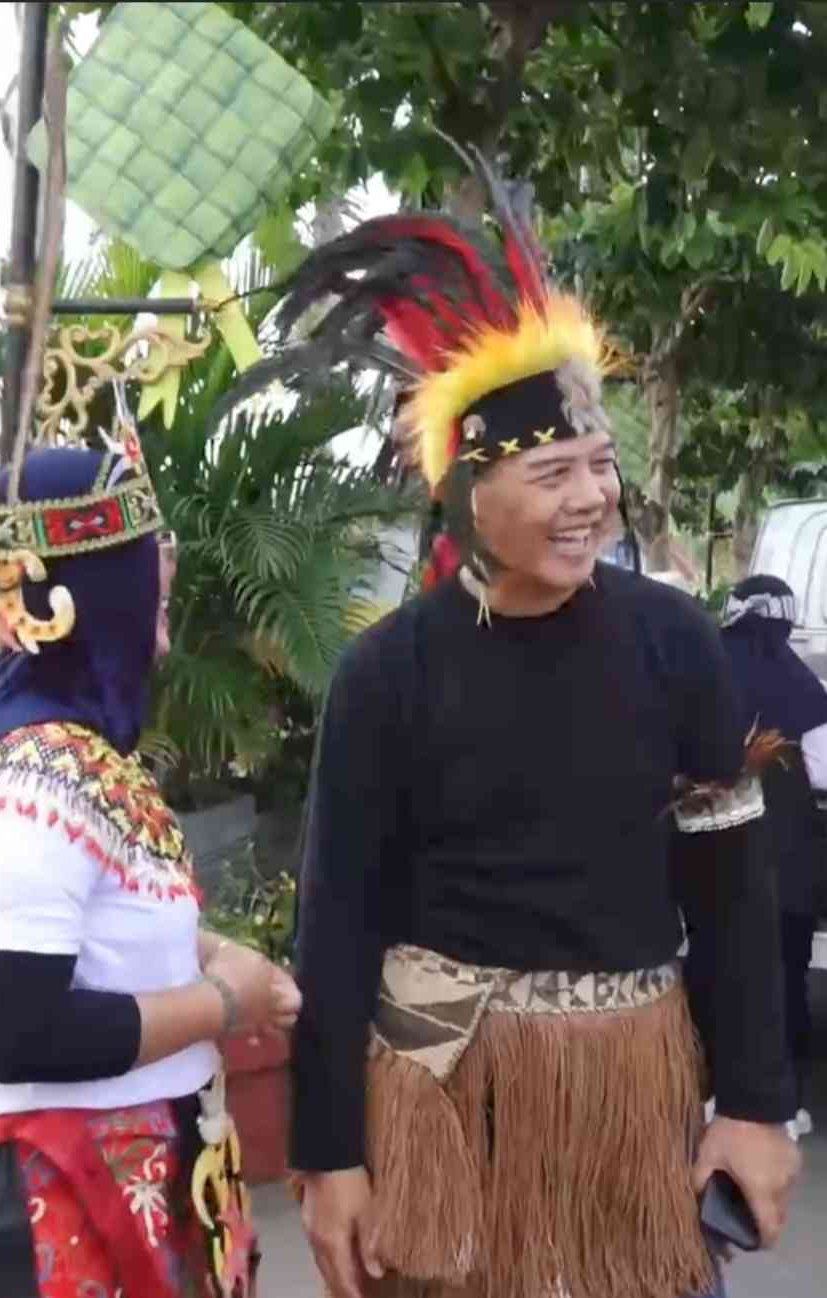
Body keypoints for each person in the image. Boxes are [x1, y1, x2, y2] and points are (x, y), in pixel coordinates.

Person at [228, 172, 802, 1298]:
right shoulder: (386, 672)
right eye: (551, 473)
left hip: (628, 1097)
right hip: (442, 1100)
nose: (590, 496)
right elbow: (336, 920)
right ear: (467, 494)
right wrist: (332, 1152)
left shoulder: (677, 639)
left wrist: (753, 1104)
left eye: (599, 464)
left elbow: (736, 890)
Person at [0, 439, 300, 1298]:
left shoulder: (69, 752)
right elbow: (13, 1030)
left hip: (99, 1170)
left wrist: (207, 950)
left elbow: (94, 930)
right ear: (97, 593)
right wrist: (225, 1004)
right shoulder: (25, 784)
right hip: (47, 1182)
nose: (166, 586)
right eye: (148, 566)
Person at [710, 575, 826, 1140]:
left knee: (721, 970)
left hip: (719, 852)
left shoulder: (703, 672)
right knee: (786, 975)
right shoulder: (805, 692)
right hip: (791, 859)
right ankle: (784, 1105)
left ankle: (716, 1094)